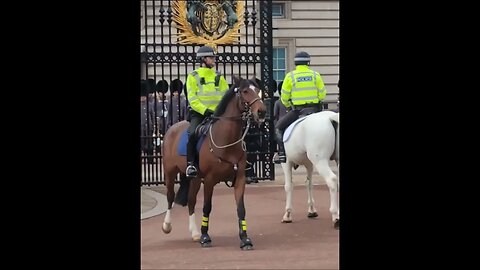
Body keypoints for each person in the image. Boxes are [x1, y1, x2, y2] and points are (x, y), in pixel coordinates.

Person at [273, 51, 327, 164]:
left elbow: (284, 97)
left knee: (278, 128)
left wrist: (288, 106)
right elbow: (322, 94)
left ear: (295, 63)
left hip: (298, 111)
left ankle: (282, 154)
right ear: (308, 62)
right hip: (315, 110)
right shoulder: (315, 75)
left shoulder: (290, 76)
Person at [185, 45, 229, 178]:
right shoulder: (193, 76)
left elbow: (226, 95)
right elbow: (192, 98)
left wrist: (222, 110)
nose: (214, 60)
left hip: (218, 114)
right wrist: (205, 110)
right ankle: (191, 164)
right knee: (192, 134)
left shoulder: (218, 76)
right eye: (211, 57)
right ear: (203, 59)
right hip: (199, 114)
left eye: (214, 57)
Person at [141, 79, 155, 164]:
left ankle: (150, 159)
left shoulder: (149, 105)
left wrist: (153, 125)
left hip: (148, 126)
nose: (143, 98)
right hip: (141, 127)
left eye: (144, 96)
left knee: (149, 144)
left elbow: (152, 115)